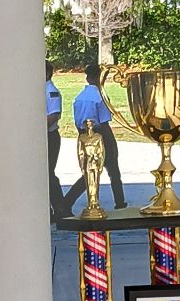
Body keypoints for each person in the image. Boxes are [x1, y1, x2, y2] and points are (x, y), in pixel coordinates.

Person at [62, 63, 126, 213]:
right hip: (101, 133)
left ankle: (67, 201)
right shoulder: (100, 97)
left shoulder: (79, 98)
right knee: (113, 171)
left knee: (89, 172)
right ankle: (120, 202)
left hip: (83, 134)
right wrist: (110, 143)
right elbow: (104, 122)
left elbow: (77, 121)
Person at [45, 60, 68, 220]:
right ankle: (52, 209)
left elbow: (53, 115)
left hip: (49, 136)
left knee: (48, 173)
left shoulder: (50, 91)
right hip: (40, 138)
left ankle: (60, 207)